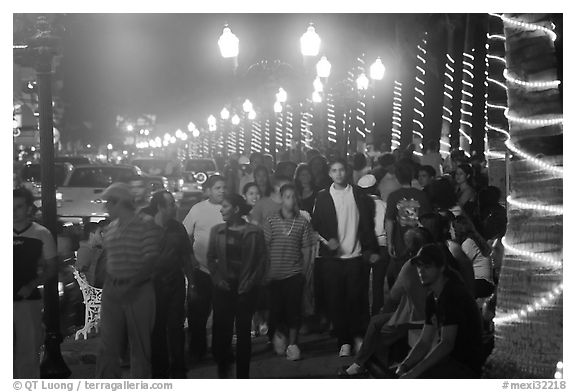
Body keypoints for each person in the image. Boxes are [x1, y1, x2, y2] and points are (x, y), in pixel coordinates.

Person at [338, 227, 433, 377]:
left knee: (377, 325)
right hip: (424, 312)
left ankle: (360, 365)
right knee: (379, 323)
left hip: (418, 316)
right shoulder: (435, 261)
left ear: (410, 246)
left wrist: (385, 311)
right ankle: (365, 363)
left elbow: (394, 296)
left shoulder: (412, 266)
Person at [311, 158, 380, 357]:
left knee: (355, 299)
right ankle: (344, 341)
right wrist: (327, 242)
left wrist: (371, 249)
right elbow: (315, 226)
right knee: (336, 301)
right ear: (329, 173)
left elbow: (367, 224)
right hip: (332, 259)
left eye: (341, 170)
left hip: (356, 255)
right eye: (334, 170)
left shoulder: (358, 194)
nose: (338, 173)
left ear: (347, 172)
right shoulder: (323, 196)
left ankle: (357, 336)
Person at [96, 183, 163, 378]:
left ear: (119, 203)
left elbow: (151, 259)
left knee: (139, 347)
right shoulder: (111, 228)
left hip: (139, 290)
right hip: (113, 289)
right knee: (107, 346)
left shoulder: (145, 224)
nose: (106, 208)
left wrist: (132, 286)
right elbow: (110, 259)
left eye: (108, 203)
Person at [396, 243, 484, 378]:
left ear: (441, 267)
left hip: (465, 364)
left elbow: (446, 344)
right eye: (419, 266)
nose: (421, 271)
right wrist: (404, 365)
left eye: (427, 266)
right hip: (451, 361)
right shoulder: (433, 297)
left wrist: (413, 373)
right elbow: (425, 340)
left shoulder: (452, 294)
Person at [207, 193, 268, 378]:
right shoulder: (217, 231)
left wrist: (250, 282)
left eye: (225, 206)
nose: (221, 209)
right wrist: (218, 279)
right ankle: (223, 375)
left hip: (245, 290)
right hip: (224, 289)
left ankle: (243, 377)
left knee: (243, 336)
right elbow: (211, 259)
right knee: (222, 336)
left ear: (235, 209)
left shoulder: (254, 232)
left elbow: (262, 260)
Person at [141, 190, 192, 379]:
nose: (175, 206)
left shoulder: (178, 228)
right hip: (153, 285)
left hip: (175, 283)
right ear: (161, 207)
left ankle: (179, 367)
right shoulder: (145, 228)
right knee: (156, 328)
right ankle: (159, 370)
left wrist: (192, 283)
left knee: (176, 326)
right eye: (171, 203)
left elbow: (187, 257)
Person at [263, 184, 315, 361]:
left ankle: (293, 344)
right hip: (274, 275)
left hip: (294, 274)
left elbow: (308, 249)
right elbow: (265, 247)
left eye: (293, 197)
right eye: (287, 196)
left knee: (294, 311)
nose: (291, 200)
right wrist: (266, 272)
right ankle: (278, 338)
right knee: (275, 310)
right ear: (281, 198)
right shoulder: (271, 220)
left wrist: (305, 272)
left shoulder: (302, 222)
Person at [13, 187, 58, 378]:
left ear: (29, 208)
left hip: (26, 300)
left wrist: (32, 285)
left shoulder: (41, 234)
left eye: (19, 207)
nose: (14, 212)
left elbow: (52, 267)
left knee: (28, 352)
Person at [182, 175, 226, 363]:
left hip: (224, 272)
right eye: (217, 188)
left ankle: (219, 350)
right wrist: (190, 258)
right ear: (208, 190)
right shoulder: (198, 209)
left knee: (222, 314)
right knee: (197, 314)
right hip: (201, 270)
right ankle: (197, 349)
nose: (221, 191)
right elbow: (185, 235)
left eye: (224, 187)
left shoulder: (229, 209)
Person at [385, 161, 432, 287]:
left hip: (400, 243)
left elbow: (389, 220)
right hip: (420, 243)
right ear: (412, 175)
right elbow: (428, 221)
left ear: (397, 177)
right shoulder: (421, 195)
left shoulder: (393, 196)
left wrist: (389, 243)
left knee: (401, 279)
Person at [418, 212, 475, 296]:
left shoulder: (452, 248)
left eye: (420, 229)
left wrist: (469, 298)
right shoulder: (421, 251)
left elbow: (467, 271)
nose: (416, 232)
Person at [358, 174, 390, 316]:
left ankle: (363, 314)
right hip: (382, 245)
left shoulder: (358, 206)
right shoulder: (384, 205)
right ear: (375, 187)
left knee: (362, 284)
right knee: (378, 284)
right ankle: (377, 313)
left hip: (364, 247)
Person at [453, 215, 494, 299]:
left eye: (453, 228)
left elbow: (461, 265)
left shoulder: (468, 243)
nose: (452, 232)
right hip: (486, 282)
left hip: (480, 283)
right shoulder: (475, 239)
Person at [75, 220, 109, 289]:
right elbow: (80, 275)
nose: (102, 235)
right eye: (100, 233)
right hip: (91, 289)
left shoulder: (95, 249)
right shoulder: (85, 250)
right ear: (91, 235)